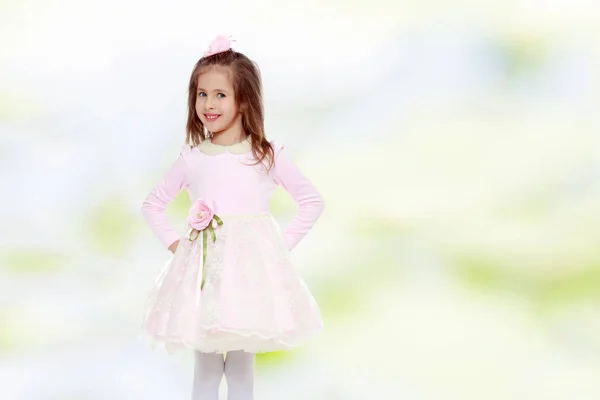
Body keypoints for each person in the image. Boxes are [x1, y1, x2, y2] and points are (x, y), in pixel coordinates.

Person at [140, 35, 325, 400]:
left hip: (250, 277)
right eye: (202, 94)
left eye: (220, 94)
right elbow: (152, 205)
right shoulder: (193, 157)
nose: (209, 103)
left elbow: (311, 200)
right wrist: (178, 247)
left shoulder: (266, 155)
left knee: (241, 371)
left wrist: (278, 247)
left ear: (244, 100)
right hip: (206, 275)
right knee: (206, 370)